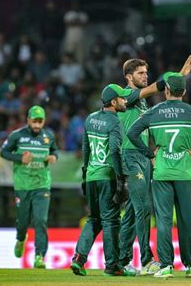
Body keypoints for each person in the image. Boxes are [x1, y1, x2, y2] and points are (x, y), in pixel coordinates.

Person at [128, 72, 191, 279]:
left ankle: (165, 265)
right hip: (184, 173)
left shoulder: (153, 112)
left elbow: (131, 133)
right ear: (183, 91)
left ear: (166, 90)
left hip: (162, 172)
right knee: (186, 220)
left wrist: (149, 153)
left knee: (164, 220)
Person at [118, 55, 191, 275]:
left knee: (133, 211)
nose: (145, 76)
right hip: (131, 156)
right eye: (140, 73)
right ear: (128, 76)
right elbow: (154, 88)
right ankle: (147, 259)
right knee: (143, 208)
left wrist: (150, 153)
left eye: (146, 72)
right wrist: (177, 77)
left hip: (143, 156)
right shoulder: (127, 94)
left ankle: (121, 260)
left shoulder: (141, 101)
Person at [71, 84, 131, 277]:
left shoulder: (90, 118)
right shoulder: (114, 122)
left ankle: (79, 259)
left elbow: (86, 149)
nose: (125, 101)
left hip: (91, 177)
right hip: (107, 177)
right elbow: (114, 150)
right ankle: (113, 266)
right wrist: (121, 179)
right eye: (122, 98)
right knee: (111, 221)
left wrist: (84, 174)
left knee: (93, 218)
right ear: (113, 102)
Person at [0, 105, 58, 269]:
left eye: (40, 121)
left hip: (42, 184)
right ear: (28, 120)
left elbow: (55, 150)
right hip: (23, 185)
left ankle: (39, 257)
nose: (37, 125)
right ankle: (20, 238)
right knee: (23, 221)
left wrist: (53, 156)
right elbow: (3, 152)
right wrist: (19, 158)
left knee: (41, 220)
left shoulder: (49, 136)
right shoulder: (16, 136)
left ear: (44, 121)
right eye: (34, 121)